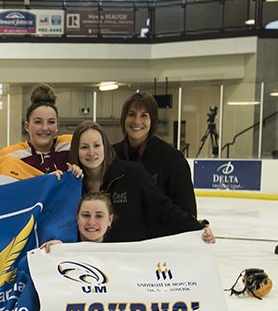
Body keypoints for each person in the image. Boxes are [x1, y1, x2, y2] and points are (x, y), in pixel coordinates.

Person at [70, 121, 212, 243]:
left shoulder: (133, 174)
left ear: (105, 147)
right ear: (76, 151)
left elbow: (163, 209)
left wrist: (197, 228)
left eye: (96, 145)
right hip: (87, 263)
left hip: (130, 263)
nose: (91, 152)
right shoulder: (71, 184)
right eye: (84, 147)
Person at [112, 91, 198, 236]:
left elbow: (186, 210)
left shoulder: (172, 159)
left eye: (144, 115)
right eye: (131, 114)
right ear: (124, 118)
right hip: (121, 243)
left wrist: (197, 227)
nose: (137, 121)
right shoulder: (111, 155)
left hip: (157, 245)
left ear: (153, 120)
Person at [0, 84, 73, 174]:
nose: (45, 128)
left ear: (57, 126)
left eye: (51, 122)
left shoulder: (70, 146)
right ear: (26, 126)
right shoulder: (10, 155)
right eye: (38, 122)